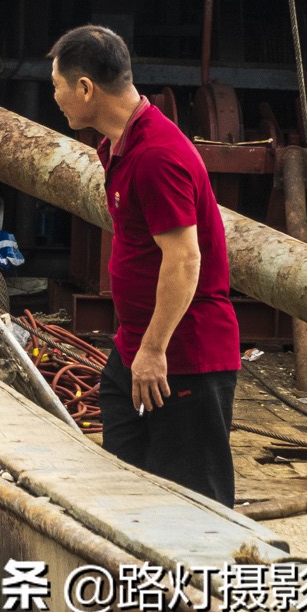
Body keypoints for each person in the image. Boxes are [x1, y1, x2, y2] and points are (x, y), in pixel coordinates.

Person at [50, 25, 240, 506]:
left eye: (57, 86)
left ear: (86, 88)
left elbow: (184, 259)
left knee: (190, 502)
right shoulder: (119, 145)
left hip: (184, 354)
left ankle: (200, 582)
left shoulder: (157, 155)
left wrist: (155, 351)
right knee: (125, 493)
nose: (56, 98)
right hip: (133, 349)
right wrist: (138, 351)